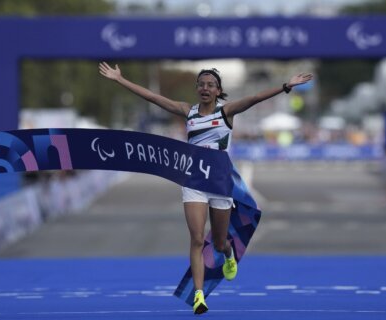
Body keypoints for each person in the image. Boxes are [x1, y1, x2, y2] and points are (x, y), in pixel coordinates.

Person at [98, 62, 313, 315]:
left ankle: (229, 252)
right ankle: (199, 295)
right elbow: (153, 97)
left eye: (210, 85)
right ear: (197, 88)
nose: (205, 88)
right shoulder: (187, 111)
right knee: (198, 239)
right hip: (194, 183)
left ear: (218, 90)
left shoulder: (226, 113)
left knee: (219, 242)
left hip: (220, 182)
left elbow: (254, 98)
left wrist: (286, 86)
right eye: (201, 84)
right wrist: (119, 80)